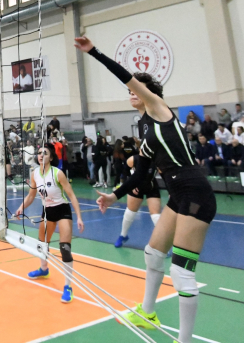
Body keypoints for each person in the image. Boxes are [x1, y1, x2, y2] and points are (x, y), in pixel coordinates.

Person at [77, 36, 216, 343]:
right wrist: (113, 195)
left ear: (147, 93)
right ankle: (148, 314)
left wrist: (94, 52)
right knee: (153, 254)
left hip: (195, 192)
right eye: (129, 91)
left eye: (135, 89)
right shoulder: (143, 127)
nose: (131, 93)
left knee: (181, 272)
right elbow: (141, 173)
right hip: (177, 194)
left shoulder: (158, 108)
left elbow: (126, 76)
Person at [14, 143, 84, 303]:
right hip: (47, 211)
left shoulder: (58, 173)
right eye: (39, 153)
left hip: (62, 210)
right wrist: (21, 207)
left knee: (65, 249)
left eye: (45, 153)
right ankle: (44, 269)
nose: (41, 155)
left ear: (51, 158)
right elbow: (31, 196)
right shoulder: (35, 174)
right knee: (42, 244)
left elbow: (72, 195)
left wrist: (79, 217)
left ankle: (68, 286)